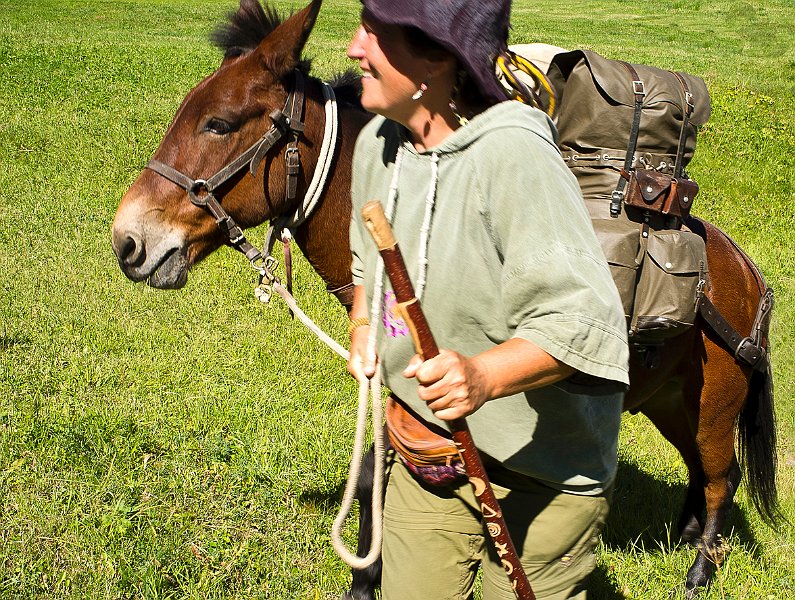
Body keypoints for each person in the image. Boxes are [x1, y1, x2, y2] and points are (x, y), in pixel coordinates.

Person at [345, 1, 630, 598]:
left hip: (543, 475)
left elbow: (585, 325)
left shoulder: (514, 156)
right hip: (429, 454)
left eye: (375, 33)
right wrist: (366, 326)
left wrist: (480, 375)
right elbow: (366, 271)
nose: (353, 48)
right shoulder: (378, 144)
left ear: (439, 56)